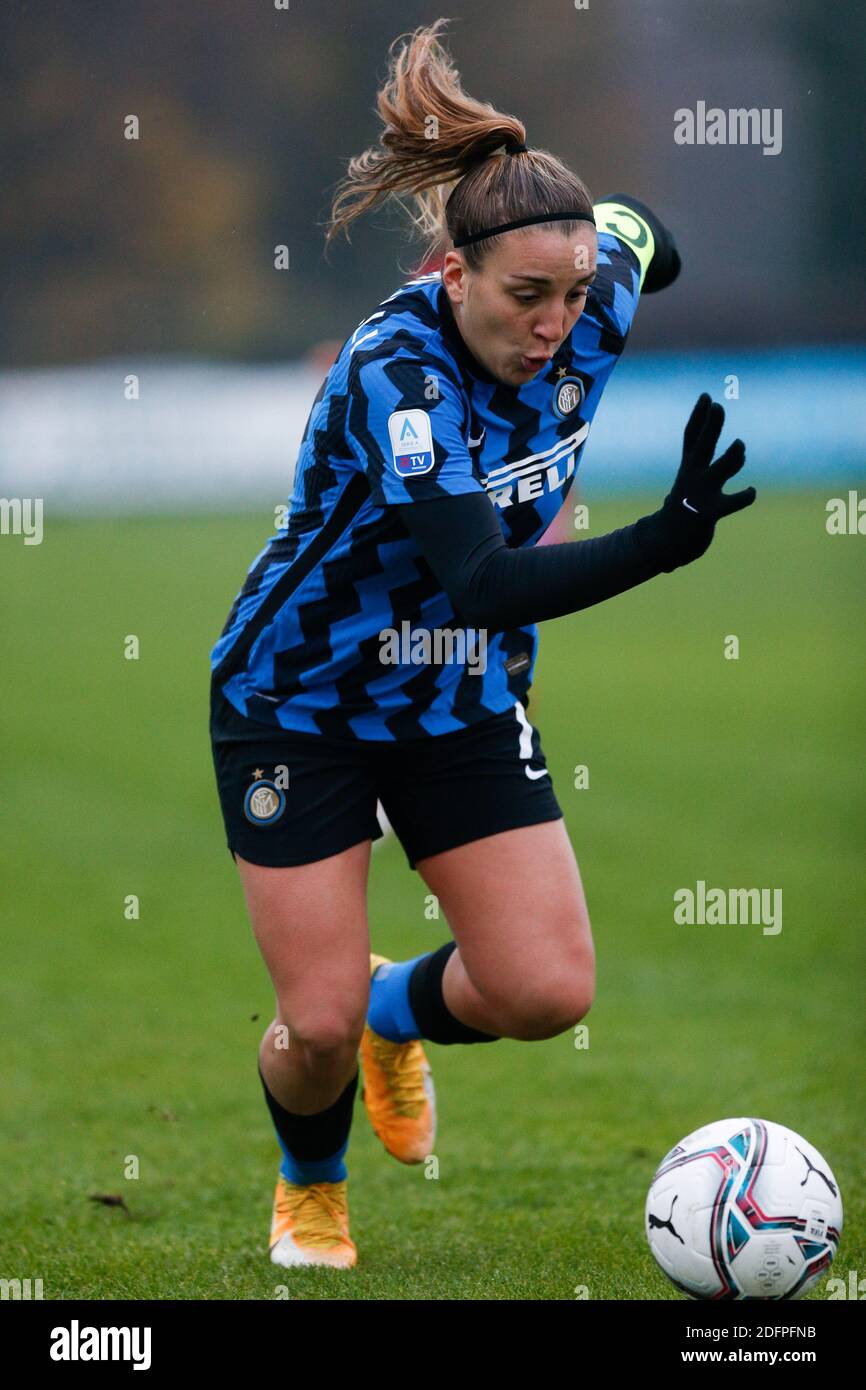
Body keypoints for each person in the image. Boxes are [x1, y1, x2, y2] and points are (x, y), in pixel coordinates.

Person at [208, 18, 755, 1270]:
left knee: (543, 991)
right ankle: (311, 1183)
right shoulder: (395, 374)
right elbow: (484, 583)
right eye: (524, 296)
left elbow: (634, 229)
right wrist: (663, 539)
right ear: (453, 277)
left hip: (454, 696)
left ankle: (404, 1008)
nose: (558, 320)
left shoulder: (583, 279)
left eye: (572, 292)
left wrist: (598, 229)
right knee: (315, 1022)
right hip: (300, 698)